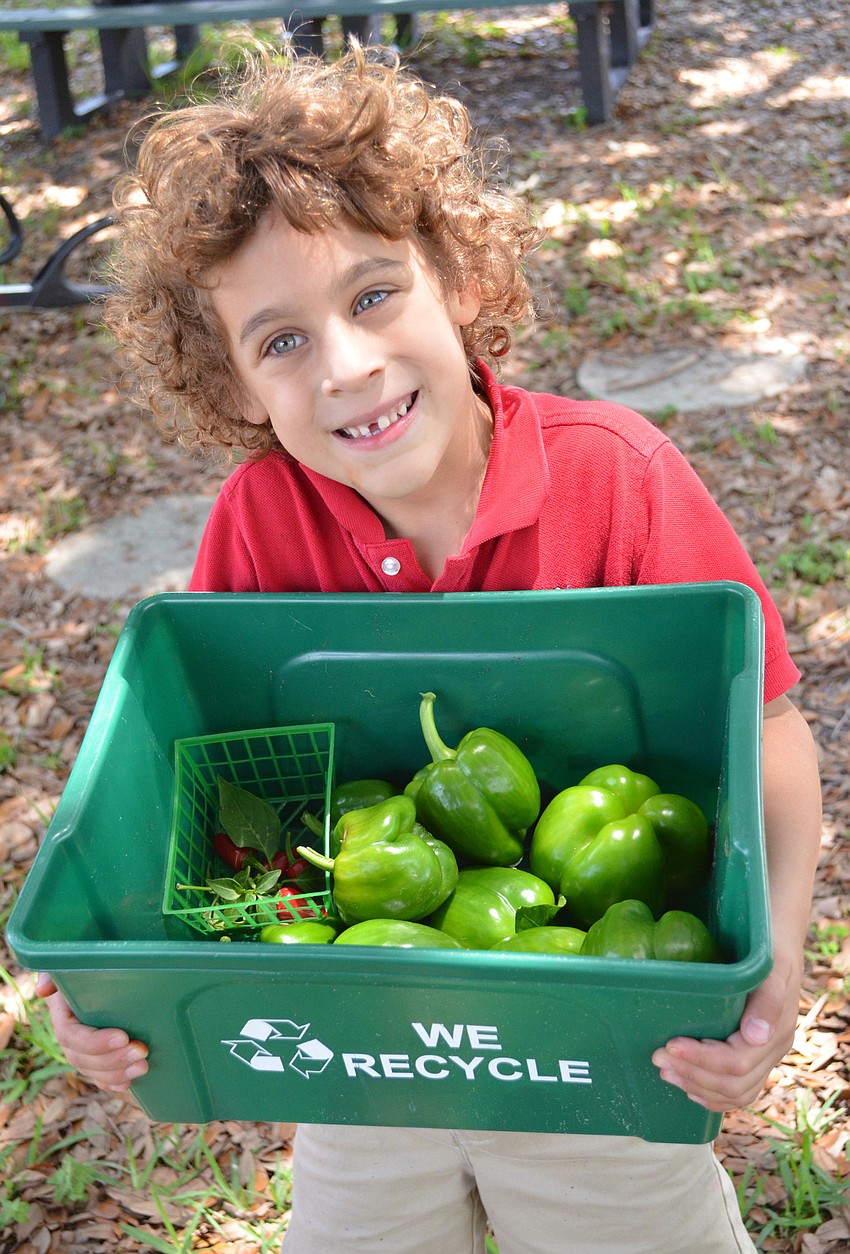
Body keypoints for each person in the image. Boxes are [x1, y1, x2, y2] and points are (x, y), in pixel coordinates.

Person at [36, 46, 822, 1254]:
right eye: (278, 341)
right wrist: (137, 999)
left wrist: (769, 964)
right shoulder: (260, 522)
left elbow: (764, 726)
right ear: (235, 384)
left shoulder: (614, 474)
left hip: (600, 1049)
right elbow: (244, 803)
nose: (346, 366)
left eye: (370, 295)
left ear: (454, 277)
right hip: (363, 1058)